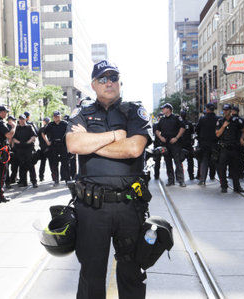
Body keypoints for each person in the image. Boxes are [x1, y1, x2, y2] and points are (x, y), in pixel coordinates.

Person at [66, 60, 152, 299]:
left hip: (129, 206)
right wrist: (115, 136)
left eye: (113, 77)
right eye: (102, 79)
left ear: (120, 82)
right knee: (91, 273)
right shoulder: (81, 113)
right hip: (91, 208)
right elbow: (74, 144)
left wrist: (91, 144)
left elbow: (134, 148)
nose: (109, 83)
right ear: (93, 85)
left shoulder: (134, 111)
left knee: (132, 271)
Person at [215, 104, 244, 193]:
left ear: (230, 111)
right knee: (222, 169)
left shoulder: (236, 121)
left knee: (235, 169)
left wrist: (241, 138)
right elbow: (217, 134)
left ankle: (237, 187)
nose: (225, 111)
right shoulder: (220, 121)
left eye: (227, 110)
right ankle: (224, 186)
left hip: (234, 148)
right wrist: (224, 126)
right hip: (224, 148)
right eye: (224, 110)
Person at [155, 103, 186, 187]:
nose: (162, 110)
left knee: (178, 162)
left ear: (168, 109)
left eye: (164, 108)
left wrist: (176, 138)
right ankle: (171, 180)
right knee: (168, 162)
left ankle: (181, 180)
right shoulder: (162, 120)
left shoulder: (176, 118)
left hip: (175, 143)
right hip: (165, 144)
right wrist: (161, 137)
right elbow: (157, 131)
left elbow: (183, 127)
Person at [43, 110, 69, 186]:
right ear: (53, 117)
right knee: (55, 164)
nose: (56, 118)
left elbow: (71, 132)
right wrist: (47, 141)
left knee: (65, 163)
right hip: (54, 146)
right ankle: (56, 180)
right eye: (55, 116)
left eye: (58, 116)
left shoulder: (65, 124)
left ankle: (67, 180)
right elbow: (43, 133)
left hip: (63, 145)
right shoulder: (51, 125)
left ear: (60, 116)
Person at [195, 103, 219, 185]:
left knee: (204, 161)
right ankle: (213, 176)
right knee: (214, 161)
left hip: (204, 144)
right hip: (215, 143)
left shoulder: (202, 119)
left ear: (207, 109)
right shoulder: (218, 119)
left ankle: (202, 179)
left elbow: (197, 130)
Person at [12, 114, 38, 188]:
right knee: (22, 166)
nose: (21, 120)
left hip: (28, 149)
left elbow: (34, 137)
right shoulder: (16, 128)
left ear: (25, 119)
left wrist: (27, 143)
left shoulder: (29, 127)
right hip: (19, 149)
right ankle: (23, 182)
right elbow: (13, 139)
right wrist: (20, 143)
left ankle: (34, 182)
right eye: (20, 119)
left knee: (31, 166)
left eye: (23, 119)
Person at [231, 106, 244, 179]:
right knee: (240, 159)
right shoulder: (242, 120)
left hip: (232, 143)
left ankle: (231, 174)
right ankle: (241, 173)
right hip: (240, 143)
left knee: (231, 159)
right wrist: (243, 140)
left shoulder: (230, 119)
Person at [180, 110, 195, 180]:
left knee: (179, 161)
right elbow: (192, 134)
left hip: (181, 145)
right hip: (188, 145)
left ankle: (179, 176)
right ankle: (191, 175)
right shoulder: (189, 123)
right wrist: (192, 141)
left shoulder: (179, 123)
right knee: (190, 161)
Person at [37, 117, 50, 181]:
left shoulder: (42, 129)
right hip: (46, 148)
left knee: (43, 163)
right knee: (50, 163)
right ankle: (41, 176)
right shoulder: (44, 129)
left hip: (44, 148)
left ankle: (41, 176)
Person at [152, 113, 163, 180]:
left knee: (158, 161)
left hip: (161, 144)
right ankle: (156, 175)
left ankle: (156, 175)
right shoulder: (155, 125)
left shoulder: (156, 125)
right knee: (157, 161)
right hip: (159, 144)